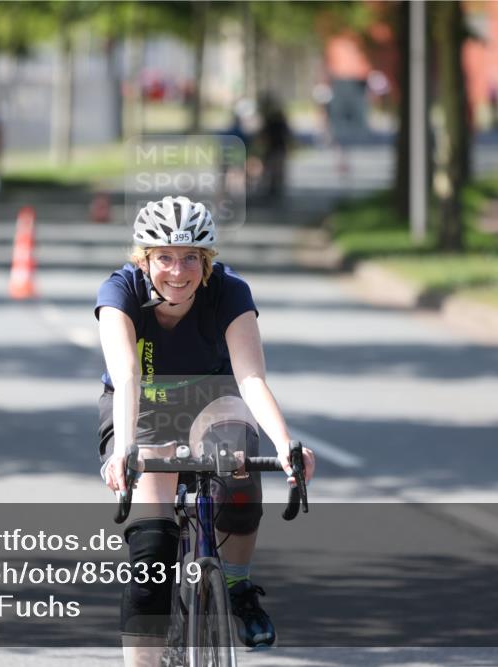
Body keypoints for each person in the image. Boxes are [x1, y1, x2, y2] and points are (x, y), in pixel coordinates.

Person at [96, 195, 316, 665]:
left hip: (213, 400)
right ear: (144, 259)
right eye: (165, 258)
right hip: (142, 407)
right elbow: (127, 375)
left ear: (207, 260)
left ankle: (236, 585)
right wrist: (128, 450)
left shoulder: (230, 291)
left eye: (191, 257)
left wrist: (285, 445)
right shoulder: (119, 293)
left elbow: (251, 377)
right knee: (151, 557)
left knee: (239, 464)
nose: (178, 271)